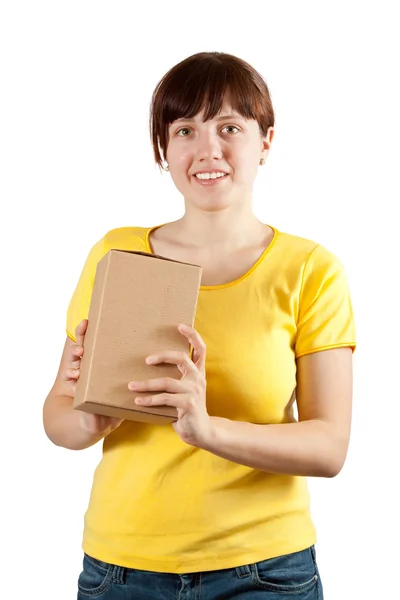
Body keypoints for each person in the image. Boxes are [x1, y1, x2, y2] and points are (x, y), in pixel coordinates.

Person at [43, 51, 356, 599]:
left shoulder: (310, 269)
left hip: (264, 572)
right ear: (164, 149)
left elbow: (329, 447)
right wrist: (90, 419)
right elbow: (58, 420)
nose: (208, 149)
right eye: (184, 129)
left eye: (230, 126)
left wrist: (206, 429)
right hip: (120, 571)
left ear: (267, 142)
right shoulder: (117, 253)